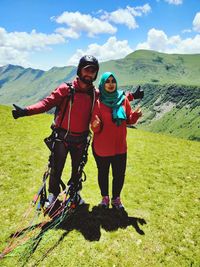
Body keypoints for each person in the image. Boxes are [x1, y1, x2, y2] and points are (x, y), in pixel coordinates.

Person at [12, 55, 99, 206]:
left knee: (77, 170)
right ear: (79, 70)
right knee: (56, 168)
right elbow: (47, 103)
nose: (89, 73)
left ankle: (74, 195)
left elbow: (114, 97)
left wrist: (132, 96)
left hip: (81, 140)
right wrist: (25, 111)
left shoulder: (95, 93)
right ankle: (53, 195)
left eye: (93, 71)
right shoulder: (66, 89)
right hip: (61, 138)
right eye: (87, 70)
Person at [91, 72, 142, 210]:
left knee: (119, 174)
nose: (111, 84)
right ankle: (105, 198)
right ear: (102, 84)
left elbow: (128, 120)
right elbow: (95, 126)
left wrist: (135, 116)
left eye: (113, 81)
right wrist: (95, 125)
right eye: (107, 81)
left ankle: (116, 199)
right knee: (103, 173)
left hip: (120, 146)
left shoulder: (123, 99)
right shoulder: (98, 102)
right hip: (102, 147)